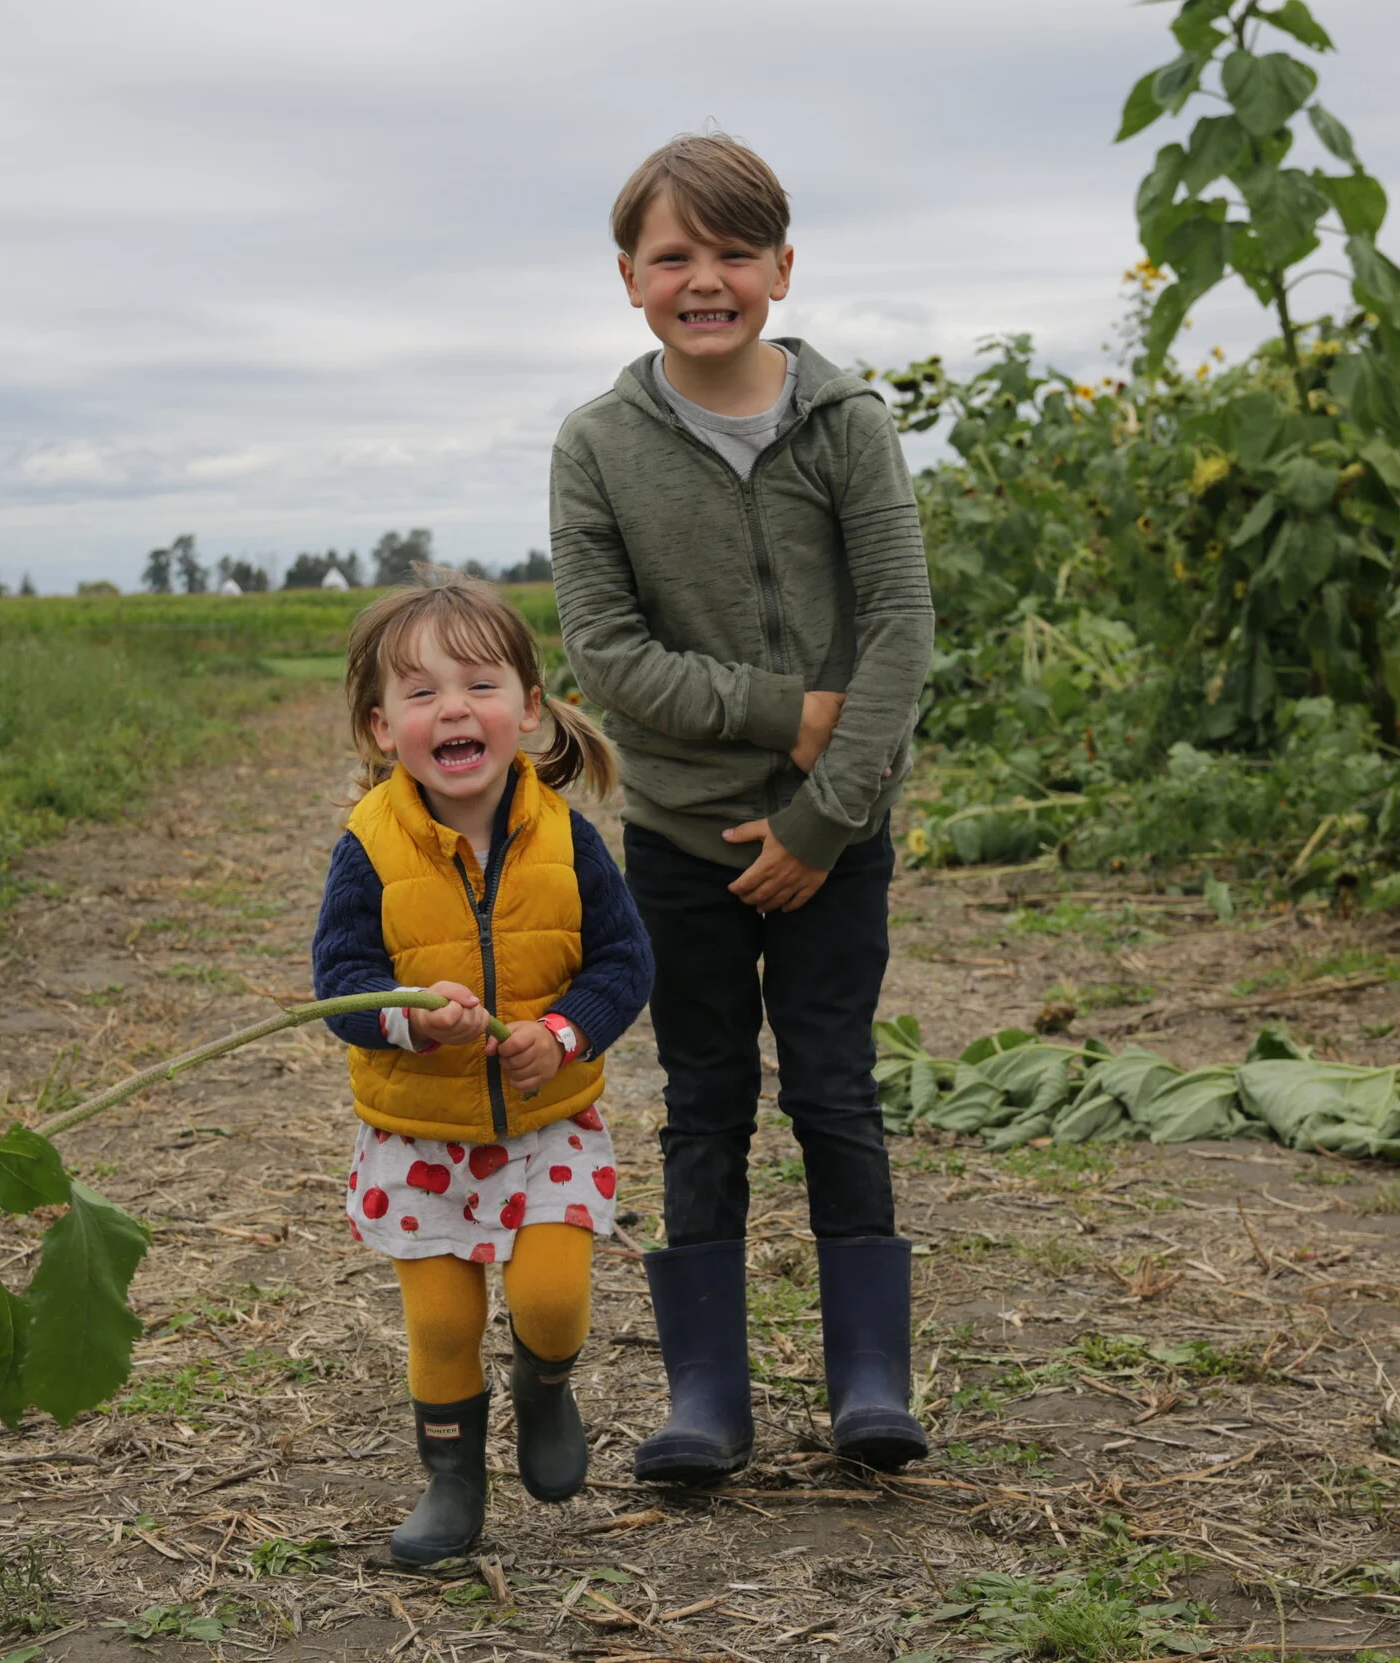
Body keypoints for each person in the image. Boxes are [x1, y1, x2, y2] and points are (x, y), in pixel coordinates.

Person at [549, 132, 935, 1482]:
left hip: (841, 829)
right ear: (629, 277)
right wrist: (785, 710)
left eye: (732, 252)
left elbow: (899, 625)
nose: (703, 279)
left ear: (782, 266)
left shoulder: (847, 423)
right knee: (704, 1097)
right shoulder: (599, 445)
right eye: (673, 256)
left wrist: (824, 815)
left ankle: (870, 1380)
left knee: (833, 1087)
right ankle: (706, 1395)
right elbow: (607, 654)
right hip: (680, 837)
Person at [311, 574, 654, 1565]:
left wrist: (567, 1031)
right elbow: (340, 981)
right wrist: (410, 1019)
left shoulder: (566, 837)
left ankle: (544, 1388)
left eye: (479, 684)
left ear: (529, 708)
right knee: (443, 1320)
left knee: (548, 1297)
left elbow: (624, 962)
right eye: (421, 693)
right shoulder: (368, 847)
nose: (453, 708)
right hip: (420, 1132)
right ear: (382, 728)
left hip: (547, 1122)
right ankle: (453, 1478)